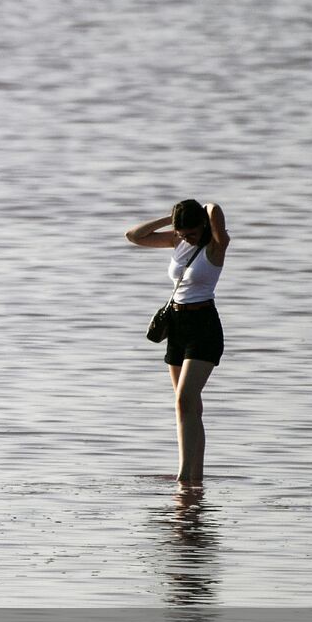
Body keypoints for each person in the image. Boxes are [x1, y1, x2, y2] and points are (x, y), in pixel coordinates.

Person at [125, 199, 230, 485]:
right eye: (182, 233)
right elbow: (134, 236)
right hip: (177, 326)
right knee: (187, 405)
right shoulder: (178, 240)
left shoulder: (215, 245)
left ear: (203, 227)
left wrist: (206, 209)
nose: (186, 238)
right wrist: (171, 220)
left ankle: (185, 477)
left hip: (204, 326)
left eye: (191, 233)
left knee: (185, 399)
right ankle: (195, 477)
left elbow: (214, 209)